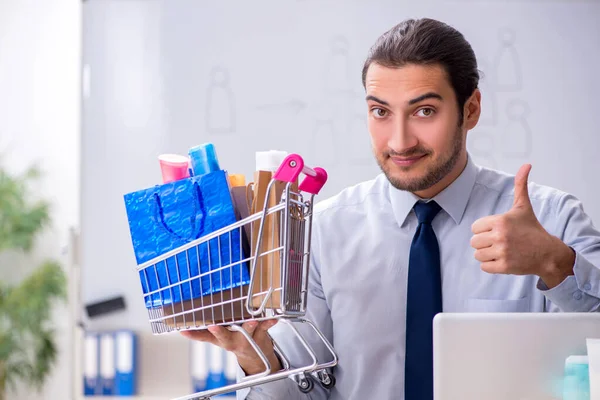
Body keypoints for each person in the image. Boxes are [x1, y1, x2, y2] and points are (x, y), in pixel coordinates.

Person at [181, 18, 600, 399]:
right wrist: (255, 358)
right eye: (380, 112)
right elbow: (300, 392)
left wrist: (555, 264)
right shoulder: (322, 232)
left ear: (470, 110)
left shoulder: (552, 219)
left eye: (424, 111)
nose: (399, 141)